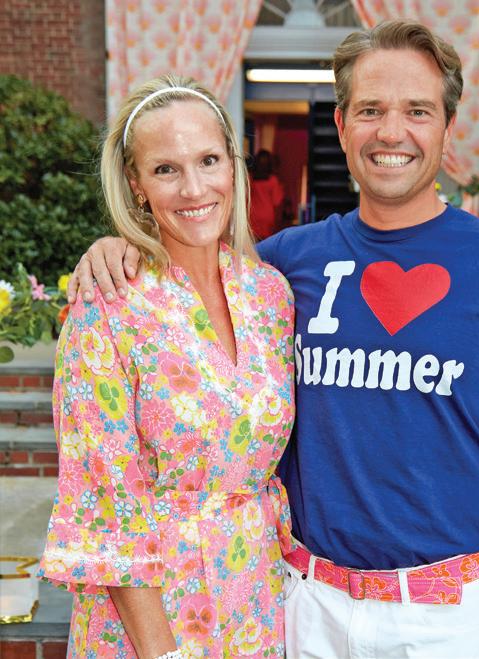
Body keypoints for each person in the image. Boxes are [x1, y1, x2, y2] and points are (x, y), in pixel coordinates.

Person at [68, 21, 479, 659]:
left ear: (448, 127)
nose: (391, 132)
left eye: (417, 111)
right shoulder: (282, 269)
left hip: (442, 619)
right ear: (343, 124)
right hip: (304, 607)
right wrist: (122, 247)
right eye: (371, 110)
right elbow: (191, 266)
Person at [38, 75, 295, 658]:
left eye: (208, 160)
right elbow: (107, 502)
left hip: (255, 603)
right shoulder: (108, 304)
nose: (194, 188)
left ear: (233, 164)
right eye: (165, 169)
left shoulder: (269, 295)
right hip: (148, 624)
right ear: (136, 184)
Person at [248, 150, 284, 240]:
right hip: (268, 217)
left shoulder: (250, 179)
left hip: (253, 216)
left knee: (253, 243)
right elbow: (276, 202)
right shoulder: (273, 180)